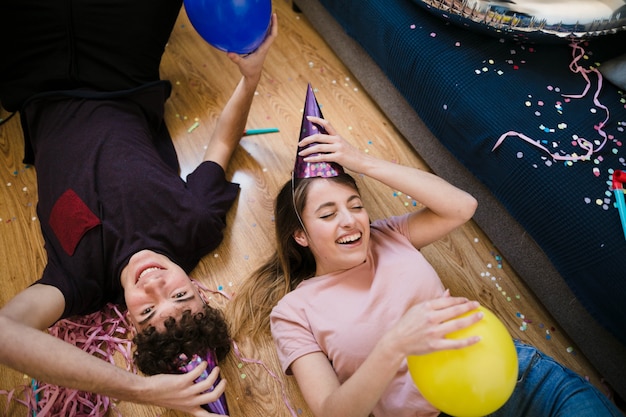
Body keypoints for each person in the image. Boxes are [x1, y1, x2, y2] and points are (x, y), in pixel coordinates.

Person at [226, 105, 623, 416]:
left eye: (355, 205)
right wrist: (397, 342)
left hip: (518, 377)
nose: (350, 220)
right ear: (300, 235)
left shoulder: (389, 234)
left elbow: (461, 206)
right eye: (328, 215)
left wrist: (361, 162)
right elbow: (334, 411)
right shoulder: (292, 312)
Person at [0, 1, 278, 415]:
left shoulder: (79, 281)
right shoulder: (195, 225)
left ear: (129, 321)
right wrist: (251, 75)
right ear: (198, 290)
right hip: (122, 66)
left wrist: (142, 390)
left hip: (38, 71)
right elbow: (221, 144)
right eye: (181, 295)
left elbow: (5, 333)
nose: (156, 286)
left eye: (148, 310)